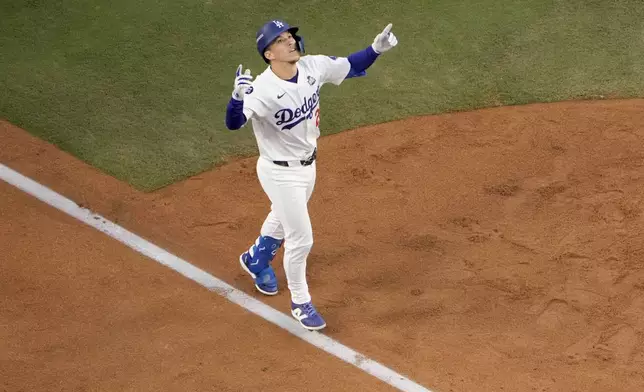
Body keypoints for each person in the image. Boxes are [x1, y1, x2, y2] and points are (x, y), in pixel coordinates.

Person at [225, 19, 398, 331]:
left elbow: (349, 64)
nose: (290, 41)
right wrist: (237, 98)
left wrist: (376, 50)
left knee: (284, 215)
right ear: (269, 54)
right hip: (278, 172)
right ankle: (300, 302)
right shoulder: (262, 90)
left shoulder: (312, 67)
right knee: (301, 238)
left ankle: (255, 259)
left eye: (290, 35)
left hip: (308, 166)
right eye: (280, 39)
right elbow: (234, 124)